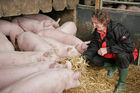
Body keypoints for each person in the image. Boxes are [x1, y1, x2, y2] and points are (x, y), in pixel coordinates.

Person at [83, 9, 138, 93]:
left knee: (121, 56)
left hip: (126, 54)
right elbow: (93, 47)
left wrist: (108, 49)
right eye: (93, 23)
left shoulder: (117, 28)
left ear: (103, 21)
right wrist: (83, 59)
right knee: (94, 59)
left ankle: (122, 83)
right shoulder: (97, 32)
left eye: (96, 23)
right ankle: (112, 67)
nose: (93, 25)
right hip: (111, 55)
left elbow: (129, 47)